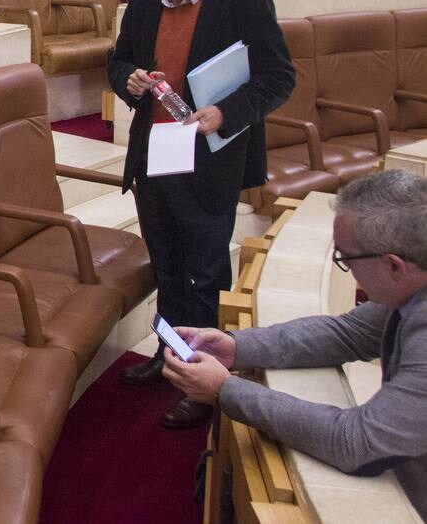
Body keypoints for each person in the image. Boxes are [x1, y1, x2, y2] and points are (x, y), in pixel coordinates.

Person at [107, 0, 294, 429]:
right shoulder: (142, 5)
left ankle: (204, 376)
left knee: (205, 268)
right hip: (155, 155)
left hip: (210, 158)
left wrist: (227, 112)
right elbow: (117, 61)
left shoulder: (246, 5)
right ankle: (168, 356)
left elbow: (279, 78)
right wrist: (131, 80)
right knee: (167, 263)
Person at [163, 170, 427, 517]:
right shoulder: (411, 284)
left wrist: (225, 390)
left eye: (345, 259)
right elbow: (348, 333)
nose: (345, 268)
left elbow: (358, 442)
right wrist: (235, 347)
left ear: (395, 266)